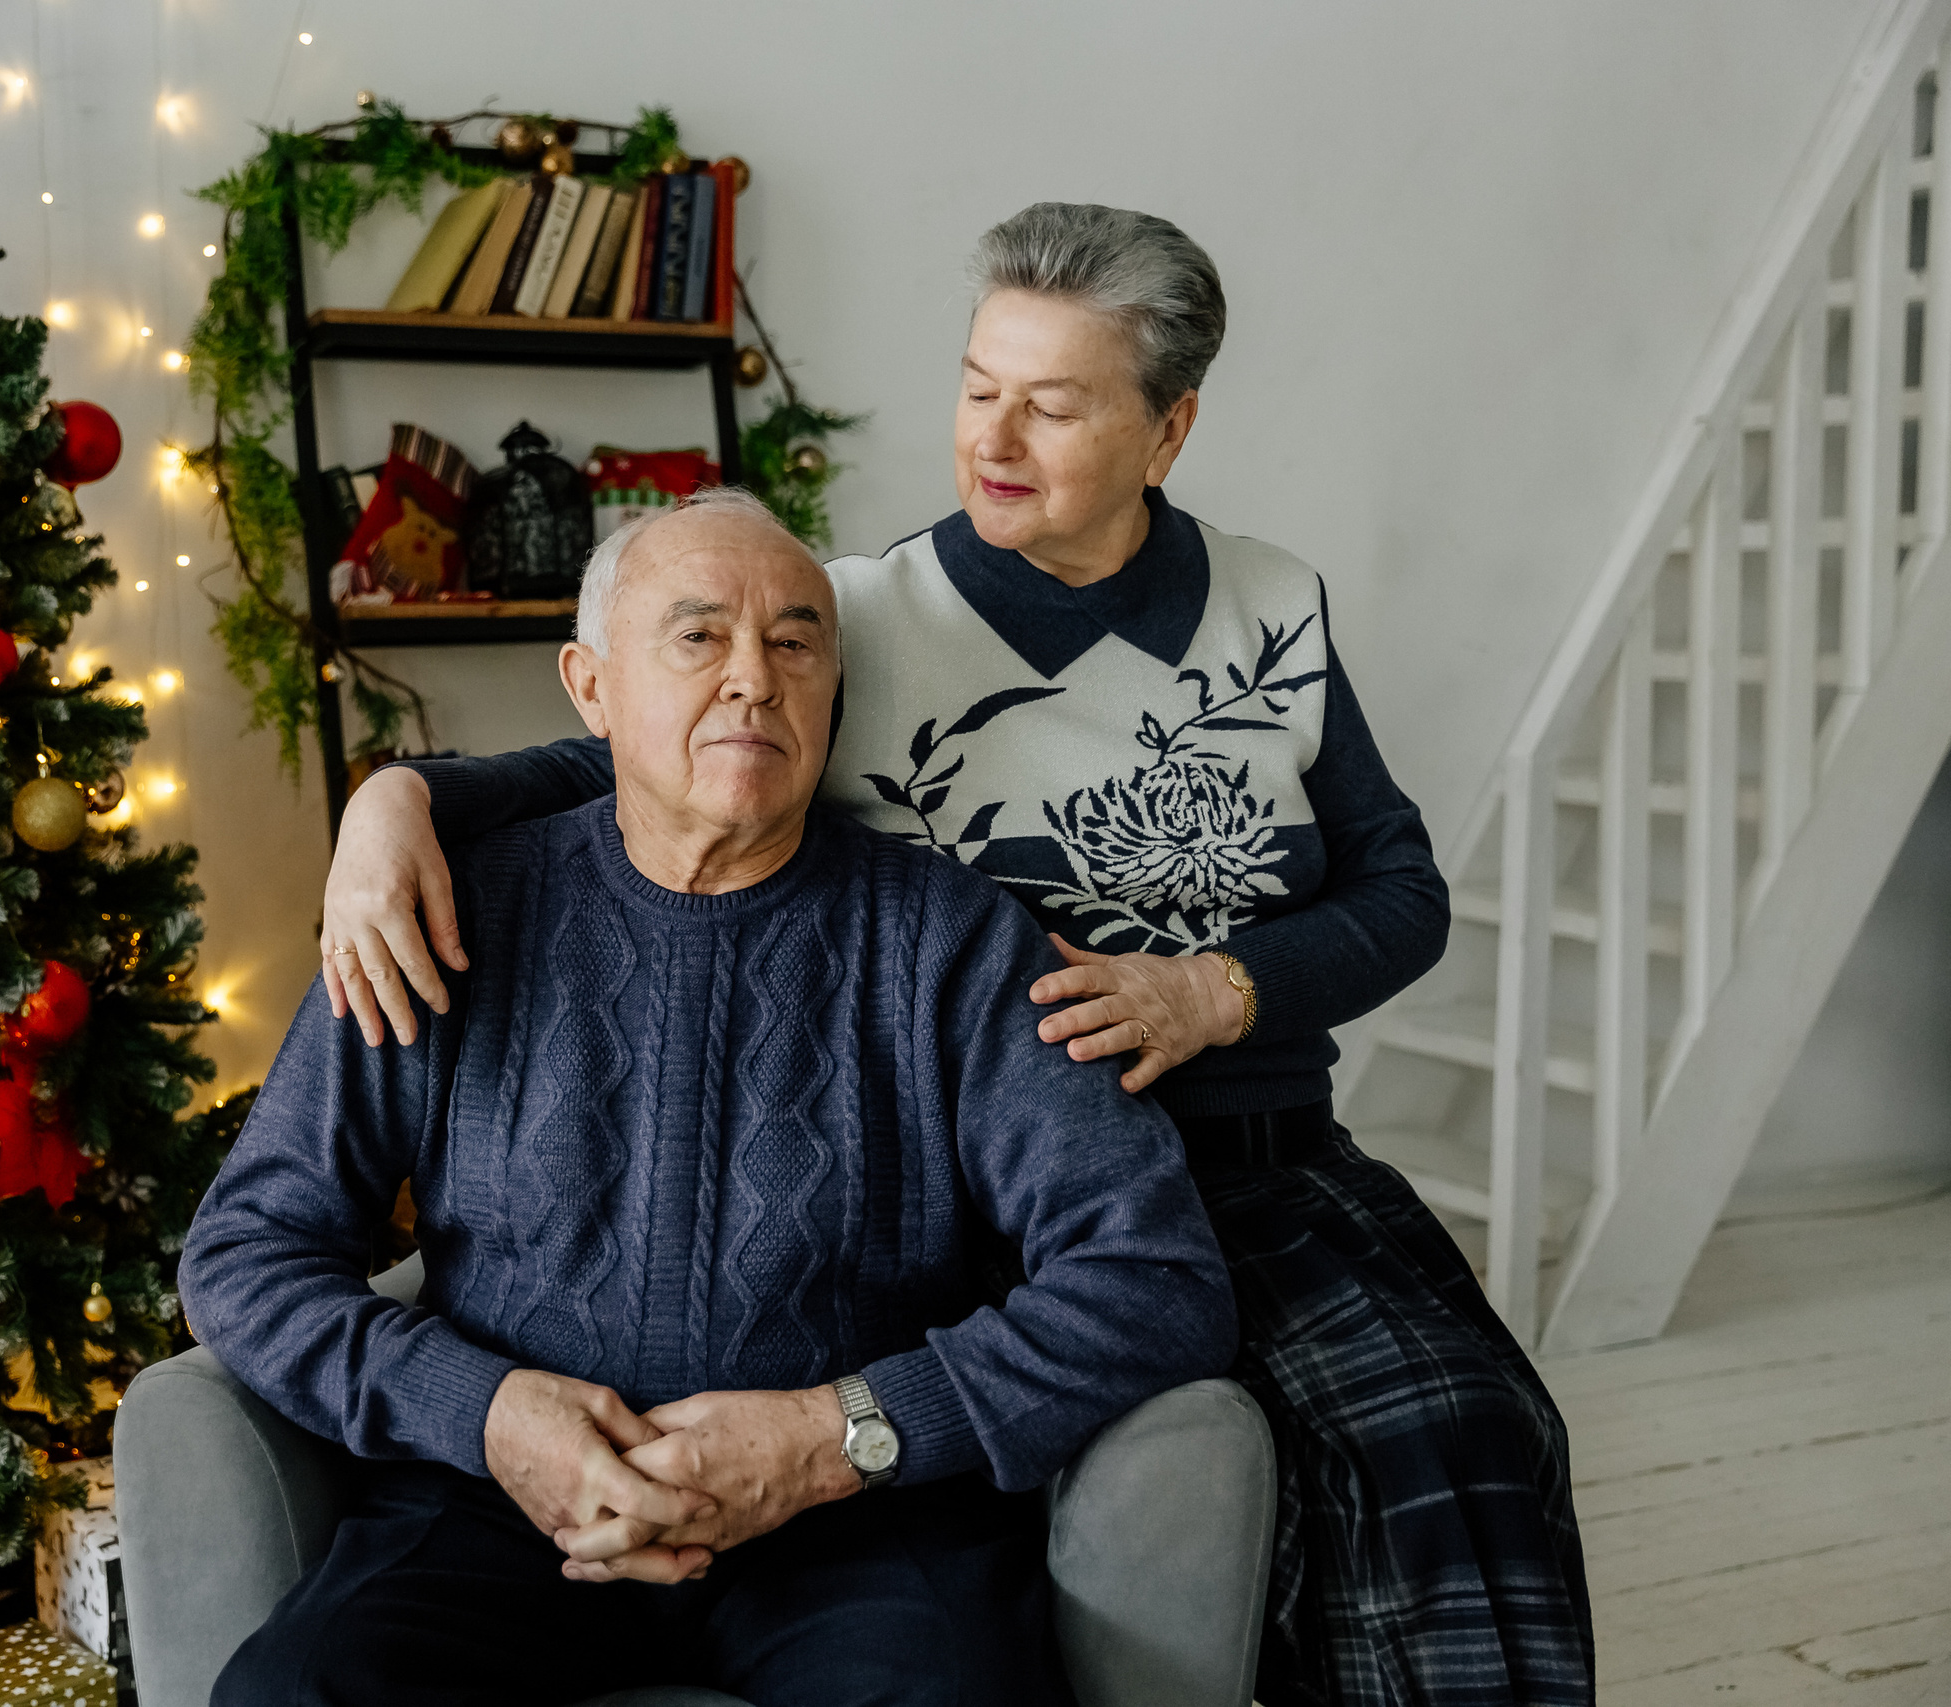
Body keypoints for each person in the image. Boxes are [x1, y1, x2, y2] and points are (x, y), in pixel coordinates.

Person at [320, 204, 1597, 1707]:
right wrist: (394, 798)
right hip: (983, 1167)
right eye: (979, 383)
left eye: (1052, 403)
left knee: (1471, 1422)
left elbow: (1399, 887)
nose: (996, 433)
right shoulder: (850, 617)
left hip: (1251, 1154)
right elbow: (634, 746)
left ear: (1167, 429)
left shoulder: (1270, 608)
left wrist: (1214, 989)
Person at [179, 490, 1236, 1706]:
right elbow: (246, 1251)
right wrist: (483, 1413)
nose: (753, 680)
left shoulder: (953, 945)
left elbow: (1156, 1278)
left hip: (860, 1528)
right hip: (497, 1511)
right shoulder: (447, 913)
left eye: (795, 642)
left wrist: (832, 1438)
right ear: (590, 687)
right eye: (697, 636)